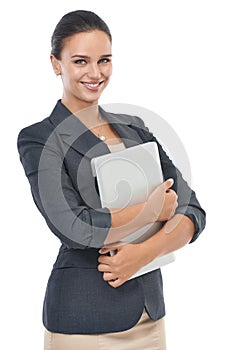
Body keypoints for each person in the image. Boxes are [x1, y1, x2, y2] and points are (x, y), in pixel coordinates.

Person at [17, 10, 206, 350]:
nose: (95, 73)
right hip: (84, 321)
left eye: (104, 60)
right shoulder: (41, 138)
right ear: (55, 63)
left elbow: (193, 211)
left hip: (150, 319)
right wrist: (150, 211)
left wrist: (144, 253)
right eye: (80, 61)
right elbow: (74, 227)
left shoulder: (133, 126)